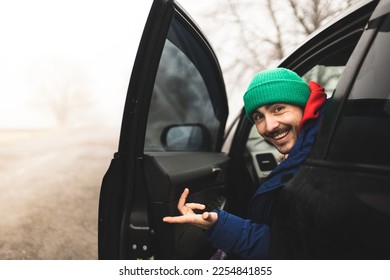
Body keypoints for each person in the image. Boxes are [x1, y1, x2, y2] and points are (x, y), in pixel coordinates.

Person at [163, 68, 327, 259]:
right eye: (259, 117)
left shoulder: (321, 161)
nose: (269, 126)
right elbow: (288, 243)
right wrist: (216, 223)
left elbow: (287, 253)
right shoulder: (310, 150)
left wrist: (220, 226)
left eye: (278, 109)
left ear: (303, 105)